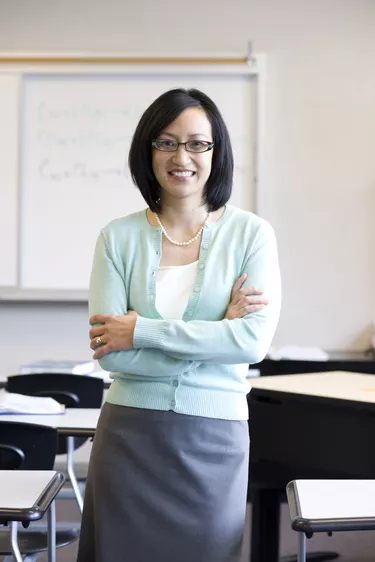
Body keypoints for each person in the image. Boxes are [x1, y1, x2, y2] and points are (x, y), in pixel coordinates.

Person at [77, 88, 281, 562]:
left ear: (216, 152)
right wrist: (215, 334)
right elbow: (114, 352)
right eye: (165, 143)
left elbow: (250, 343)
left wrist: (142, 330)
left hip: (215, 436)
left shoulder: (251, 235)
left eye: (197, 144)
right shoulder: (117, 237)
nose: (181, 157)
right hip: (129, 434)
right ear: (147, 151)